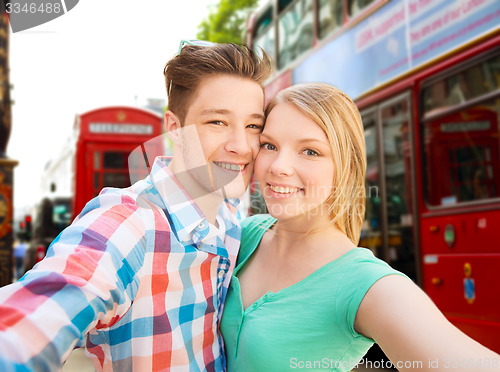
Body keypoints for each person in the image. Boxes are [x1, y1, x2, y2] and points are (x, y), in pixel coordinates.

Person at [0, 41, 271, 371]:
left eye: (253, 126)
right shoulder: (129, 223)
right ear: (175, 129)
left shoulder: (230, 222)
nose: (241, 146)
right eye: (217, 122)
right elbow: (33, 320)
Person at [220, 83, 500, 371]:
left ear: (347, 168)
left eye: (310, 151)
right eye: (269, 145)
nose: (279, 166)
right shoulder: (243, 235)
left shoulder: (365, 284)